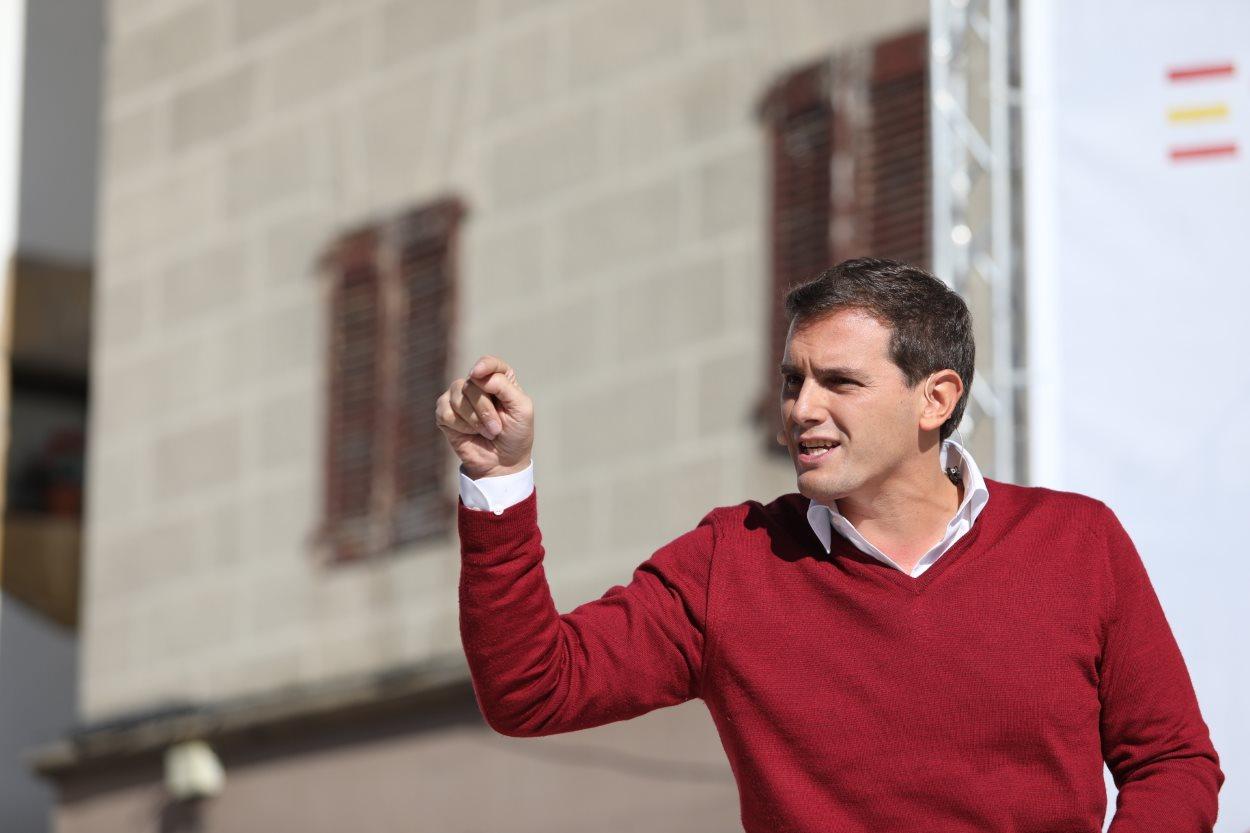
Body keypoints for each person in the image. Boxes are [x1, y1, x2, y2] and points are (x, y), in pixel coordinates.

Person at [434, 257, 1223, 832]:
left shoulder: (1076, 542)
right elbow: (532, 690)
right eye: (791, 381)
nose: (801, 408)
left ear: (934, 397)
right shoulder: (730, 560)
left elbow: (1173, 761)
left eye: (839, 382)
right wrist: (501, 480)